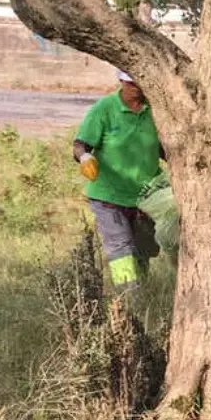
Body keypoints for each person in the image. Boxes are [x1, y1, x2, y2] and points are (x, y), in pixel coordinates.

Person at [73, 69, 164, 291]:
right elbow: (80, 144)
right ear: (121, 82)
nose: (137, 88)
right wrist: (84, 157)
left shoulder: (155, 110)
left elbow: (166, 149)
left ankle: (141, 293)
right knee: (121, 248)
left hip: (145, 197)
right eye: (131, 83)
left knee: (144, 249)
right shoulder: (105, 109)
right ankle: (129, 296)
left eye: (141, 83)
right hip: (108, 197)